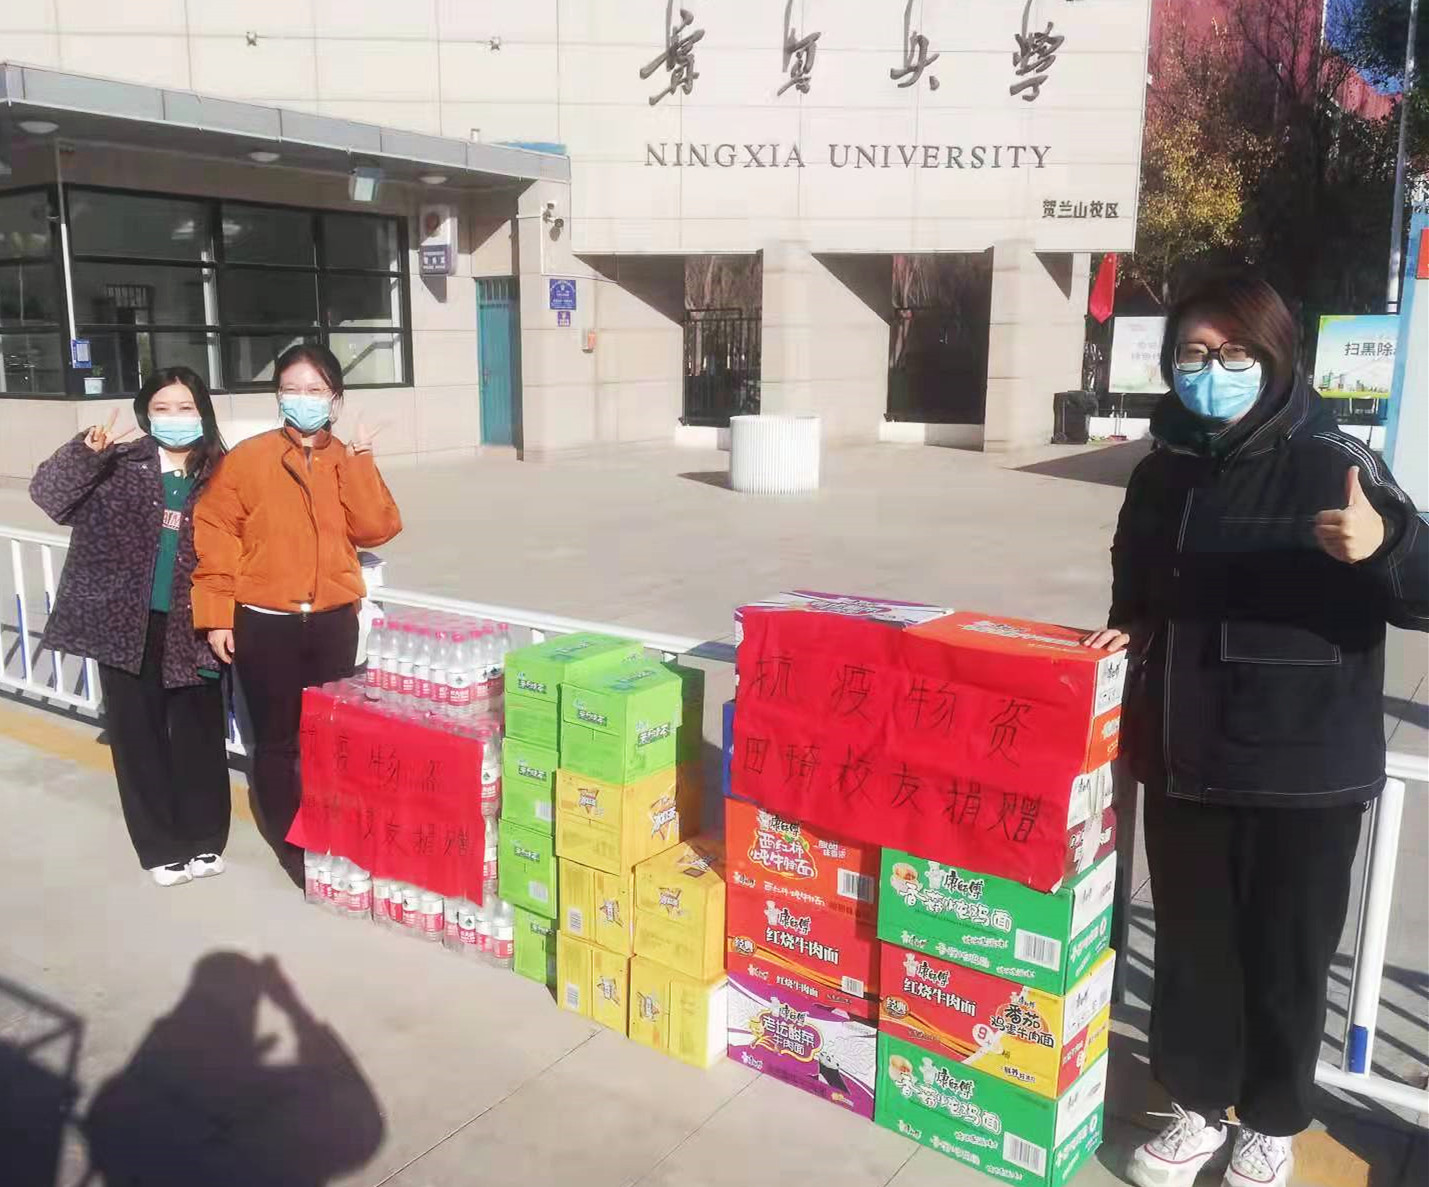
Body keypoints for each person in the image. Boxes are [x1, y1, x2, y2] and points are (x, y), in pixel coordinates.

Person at [1082, 274, 1427, 1187]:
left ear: (1275, 358)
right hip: (1185, 755)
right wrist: (1131, 626)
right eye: (1194, 353)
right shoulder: (1162, 468)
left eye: (1234, 352)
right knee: (1194, 950)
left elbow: (1422, 589)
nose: (1213, 369)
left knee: (1286, 956)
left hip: (1303, 770)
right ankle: (1197, 1104)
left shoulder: (1331, 458)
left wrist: (1384, 547)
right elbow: (1136, 573)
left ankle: (1270, 1122)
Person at [192, 344, 401, 880]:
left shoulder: (346, 458)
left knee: (330, 736)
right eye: (291, 389)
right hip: (265, 622)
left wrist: (361, 459)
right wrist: (217, 615)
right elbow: (216, 533)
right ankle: (294, 847)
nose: (303, 399)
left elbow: (375, 528)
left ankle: (335, 832)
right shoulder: (250, 459)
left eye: (315, 390)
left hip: (332, 620)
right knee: (277, 741)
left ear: (335, 399)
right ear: (278, 397)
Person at [30, 367, 232, 886]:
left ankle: (205, 838)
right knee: (137, 737)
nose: (174, 418)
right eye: (162, 408)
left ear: (203, 412)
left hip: (196, 624)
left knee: (199, 734)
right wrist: (84, 453)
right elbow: (49, 497)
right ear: (146, 414)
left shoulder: (224, 471)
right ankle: (162, 846)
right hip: (125, 624)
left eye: (185, 407)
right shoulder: (118, 462)